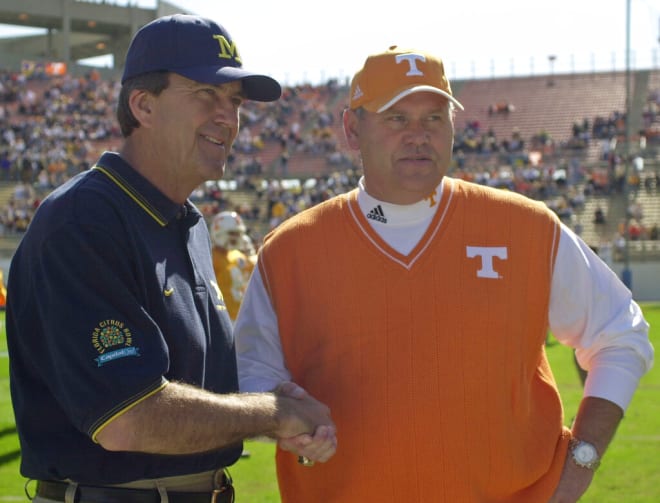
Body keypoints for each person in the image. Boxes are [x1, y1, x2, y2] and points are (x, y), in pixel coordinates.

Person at [234, 46, 654, 502]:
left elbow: (621, 333)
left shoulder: (525, 227)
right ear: (353, 130)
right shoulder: (291, 250)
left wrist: (582, 461)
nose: (418, 135)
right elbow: (252, 376)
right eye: (396, 118)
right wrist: (285, 418)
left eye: (434, 117)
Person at [6, 14, 336, 503]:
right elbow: (129, 417)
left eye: (235, 101)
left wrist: (278, 401)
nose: (229, 116)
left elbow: (195, 381)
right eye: (206, 94)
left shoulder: (191, 224)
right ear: (143, 105)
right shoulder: (84, 221)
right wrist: (273, 413)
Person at [210, 210, 255, 322]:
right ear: (218, 231)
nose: (235, 237)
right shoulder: (210, 257)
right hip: (221, 318)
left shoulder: (239, 256)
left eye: (238, 233)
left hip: (241, 317)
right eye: (232, 233)